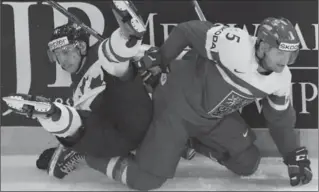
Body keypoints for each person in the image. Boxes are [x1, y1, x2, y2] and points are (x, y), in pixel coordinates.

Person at [70, 17, 312, 190]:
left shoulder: (281, 79)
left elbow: (280, 119)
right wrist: (161, 60)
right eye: (281, 53)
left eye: (291, 55)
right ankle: (84, 152)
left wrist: (293, 155)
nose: (285, 61)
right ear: (263, 46)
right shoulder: (235, 44)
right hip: (175, 108)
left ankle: (190, 142)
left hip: (212, 119)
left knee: (248, 163)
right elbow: (187, 31)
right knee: (146, 180)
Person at [2, 0, 155, 179]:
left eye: (66, 52)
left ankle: (127, 37)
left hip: (139, 110)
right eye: (58, 56)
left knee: (114, 64)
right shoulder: (77, 91)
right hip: (121, 133)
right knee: (68, 151)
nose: (62, 61)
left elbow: (154, 55)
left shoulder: (102, 51)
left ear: (81, 47)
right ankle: (59, 121)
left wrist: (151, 61)